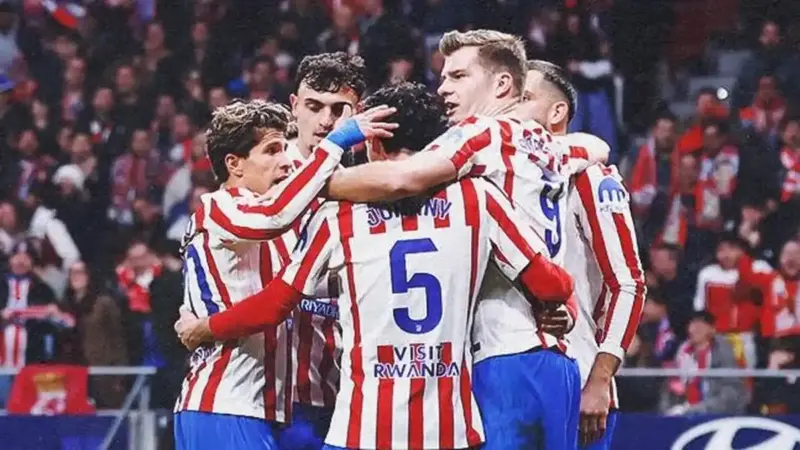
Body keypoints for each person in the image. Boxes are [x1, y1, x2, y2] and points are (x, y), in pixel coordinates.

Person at [175, 82, 576, 450]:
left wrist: (203, 328)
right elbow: (551, 283)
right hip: (449, 429)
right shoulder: (478, 198)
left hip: (360, 429)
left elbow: (277, 302)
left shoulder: (337, 215)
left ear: (375, 143)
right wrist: (561, 305)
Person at [173, 99, 397, 450]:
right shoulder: (219, 207)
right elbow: (274, 217)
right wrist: (336, 143)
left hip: (253, 409)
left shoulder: (264, 234)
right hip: (224, 404)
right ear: (234, 164)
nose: (286, 160)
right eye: (272, 150)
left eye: (284, 148)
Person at [524, 60, 646, 450]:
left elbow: (628, 282)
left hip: (577, 376)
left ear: (556, 112)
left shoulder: (591, 178)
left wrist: (600, 378)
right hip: (508, 377)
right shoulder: (499, 179)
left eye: (524, 98)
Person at [280, 52, 368, 450]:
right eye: (314, 106)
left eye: (338, 110)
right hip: (275, 388)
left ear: (358, 113)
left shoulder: (367, 185)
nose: (326, 121)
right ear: (294, 106)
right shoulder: (264, 174)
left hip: (345, 386)